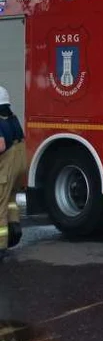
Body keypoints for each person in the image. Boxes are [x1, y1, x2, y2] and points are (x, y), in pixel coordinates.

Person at [0, 86, 26, 252]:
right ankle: (14, 231)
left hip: (7, 167)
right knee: (10, 200)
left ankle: (0, 245)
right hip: (19, 166)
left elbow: (1, 145)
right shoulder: (12, 117)